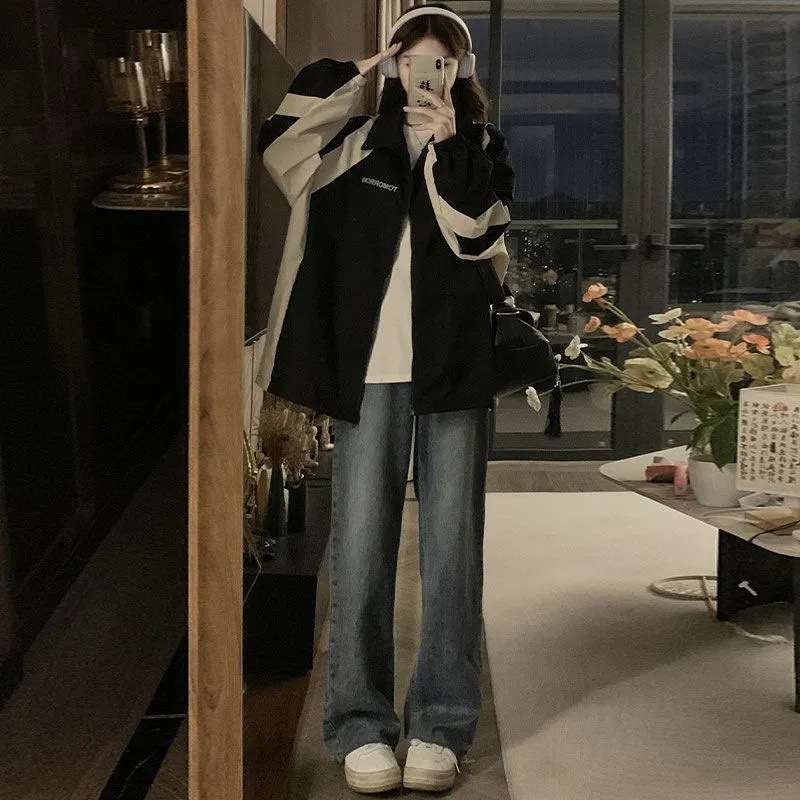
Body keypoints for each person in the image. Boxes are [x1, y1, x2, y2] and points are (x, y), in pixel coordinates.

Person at [254, 3, 514, 793]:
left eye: (442, 61)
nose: (424, 73)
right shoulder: (348, 145)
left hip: (454, 370)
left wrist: (448, 147)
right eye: (411, 59)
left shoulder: (480, 147)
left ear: (461, 73)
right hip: (364, 373)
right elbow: (279, 143)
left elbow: (476, 234)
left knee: (453, 550)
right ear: (395, 65)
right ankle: (359, 723)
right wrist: (351, 74)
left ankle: (442, 723)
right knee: (362, 548)